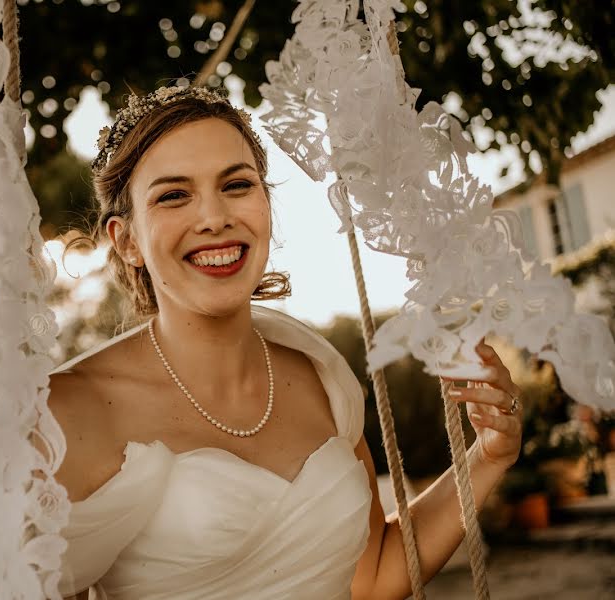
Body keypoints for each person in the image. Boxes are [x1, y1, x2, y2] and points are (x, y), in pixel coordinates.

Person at [46, 86, 523, 600]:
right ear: (126, 240)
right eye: (174, 195)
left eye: (236, 184)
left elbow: (377, 571)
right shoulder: (67, 412)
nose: (215, 217)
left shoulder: (321, 375)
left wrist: (489, 456)